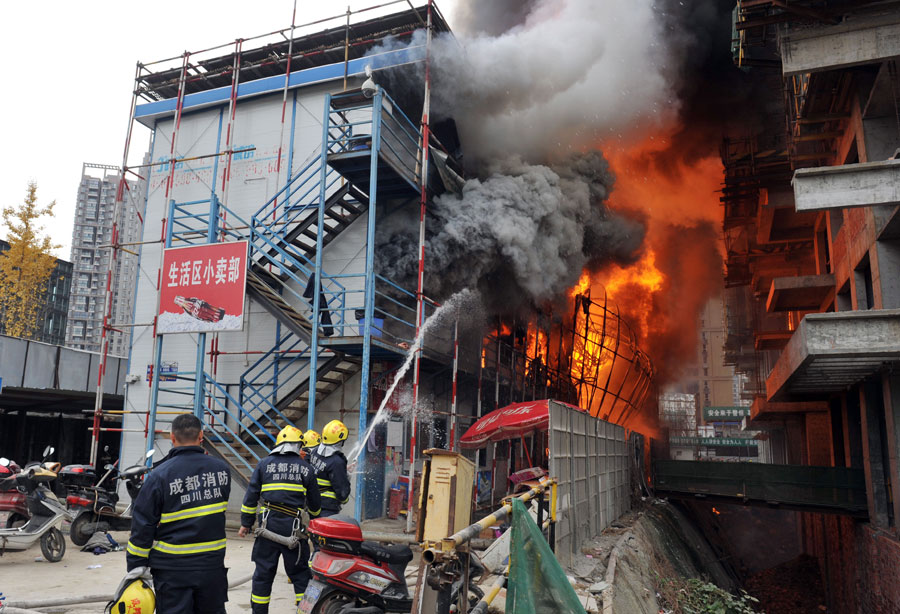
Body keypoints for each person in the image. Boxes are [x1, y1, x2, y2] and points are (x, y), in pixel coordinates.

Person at [126, 414, 231, 614]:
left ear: (172, 438)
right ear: (201, 435)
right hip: (212, 566)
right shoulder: (222, 471)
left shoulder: (159, 476)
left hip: (173, 570)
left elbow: (142, 526)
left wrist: (136, 566)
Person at [239, 425, 321, 612]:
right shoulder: (306, 469)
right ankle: (305, 611)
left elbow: (250, 497)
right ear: (297, 445)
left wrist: (246, 523)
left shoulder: (263, 464)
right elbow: (315, 504)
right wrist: (315, 522)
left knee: (263, 574)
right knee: (300, 574)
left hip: (267, 527)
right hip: (293, 530)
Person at [309, 420, 351, 517]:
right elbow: (342, 493)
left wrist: (344, 470)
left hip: (312, 503)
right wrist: (345, 499)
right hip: (326, 507)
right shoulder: (336, 461)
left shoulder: (315, 451)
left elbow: (323, 472)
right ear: (340, 441)